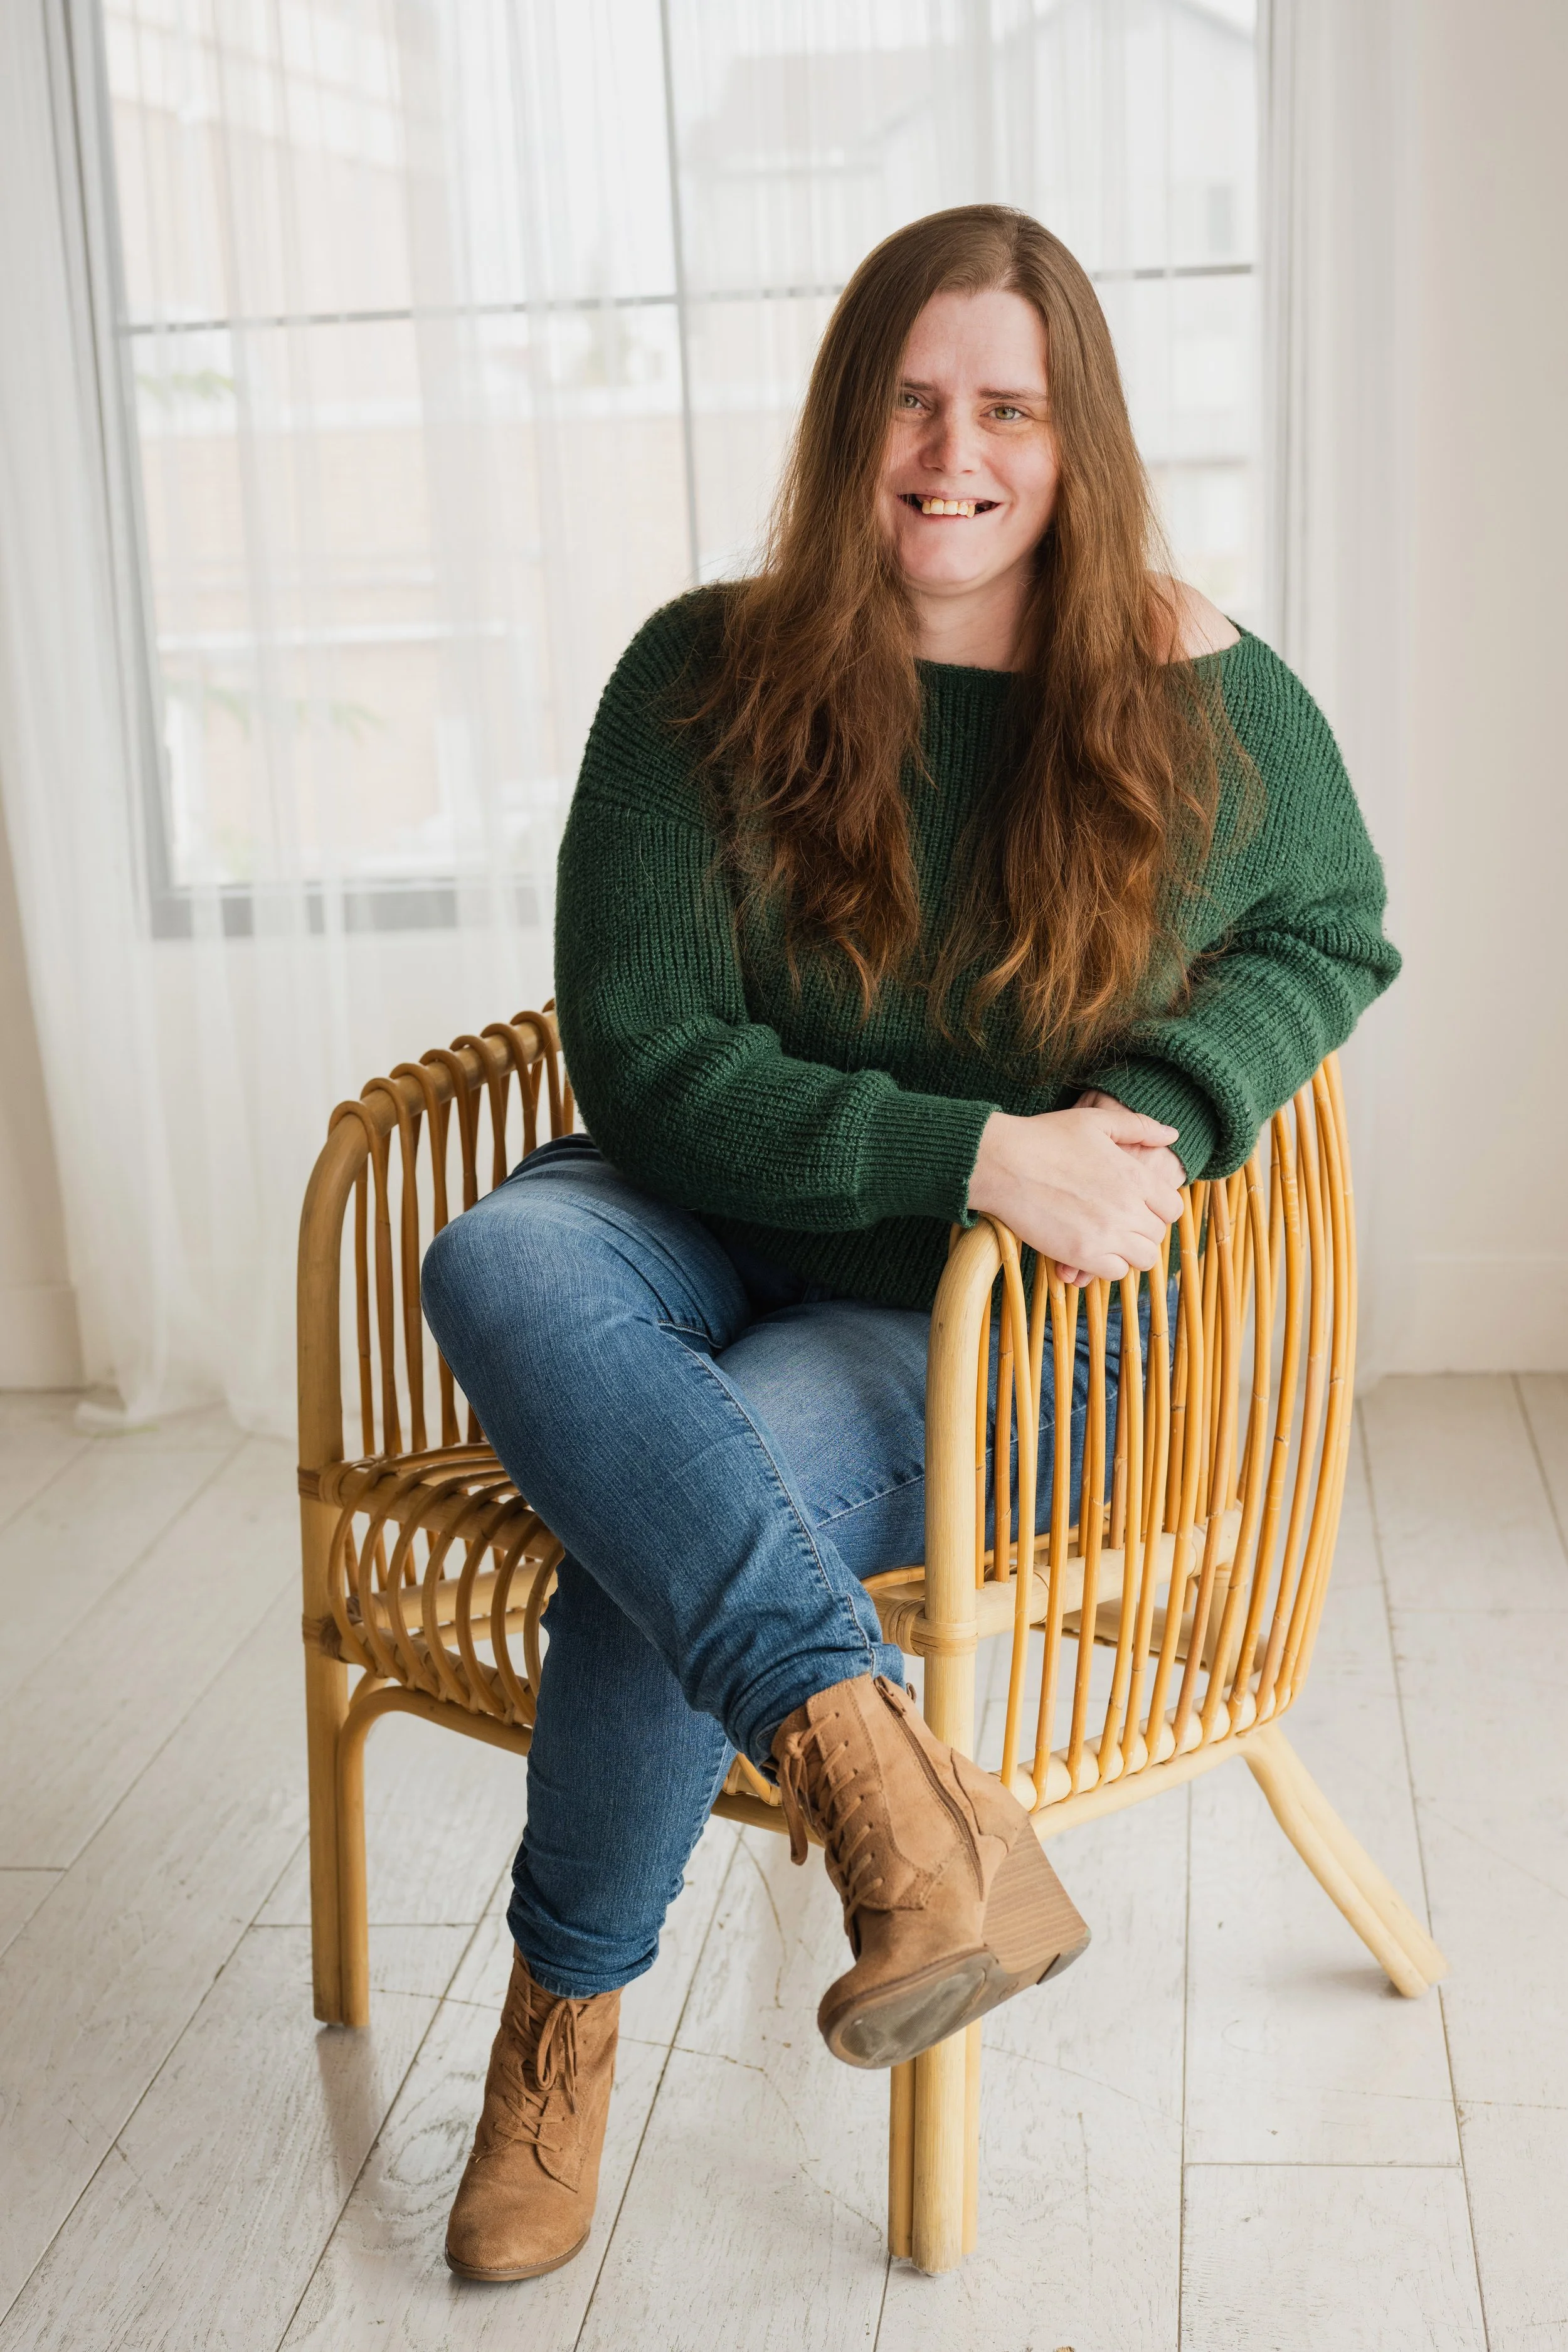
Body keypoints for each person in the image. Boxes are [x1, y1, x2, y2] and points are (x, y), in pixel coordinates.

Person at [421, 203, 1399, 2284]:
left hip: (971, 1331)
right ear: (848, 418)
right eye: (913, 397)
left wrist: (1144, 1119)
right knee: (498, 1261)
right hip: (703, 1212)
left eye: (1010, 409)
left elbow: (1333, 927)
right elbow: (652, 1061)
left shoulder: (1181, 687)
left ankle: (559, 2013)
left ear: (1073, 439)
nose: (955, 450)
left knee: (692, 1488)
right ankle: (897, 1793)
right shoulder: (703, 669)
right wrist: (976, 1145)